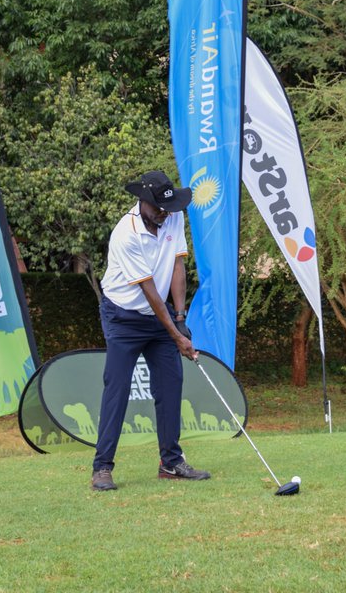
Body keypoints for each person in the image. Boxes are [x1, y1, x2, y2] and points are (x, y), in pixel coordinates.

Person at [91, 170, 211, 491]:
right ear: (142, 202)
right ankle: (102, 467)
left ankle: (171, 462)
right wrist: (176, 335)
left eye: (166, 207)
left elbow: (176, 266)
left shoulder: (171, 218)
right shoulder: (125, 234)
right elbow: (149, 291)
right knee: (117, 388)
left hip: (160, 319)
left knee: (170, 384)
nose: (163, 213)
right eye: (157, 207)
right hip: (123, 317)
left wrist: (181, 317)